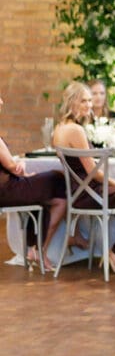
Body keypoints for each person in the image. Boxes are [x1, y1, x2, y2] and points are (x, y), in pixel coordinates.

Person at [53, 81, 115, 274]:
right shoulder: (75, 130)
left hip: (77, 192)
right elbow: (93, 172)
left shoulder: (59, 128)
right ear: (72, 102)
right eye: (84, 101)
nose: (89, 105)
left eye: (90, 101)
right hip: (90, 193)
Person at [0, 89, 67, 271]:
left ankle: (37, 249)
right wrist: (18, 165)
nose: (1, 102)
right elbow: (12, 167)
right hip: (7, 190)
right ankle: (45, 246)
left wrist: (16, 166)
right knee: (57, 178)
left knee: (57, 200)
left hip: (7, 187)